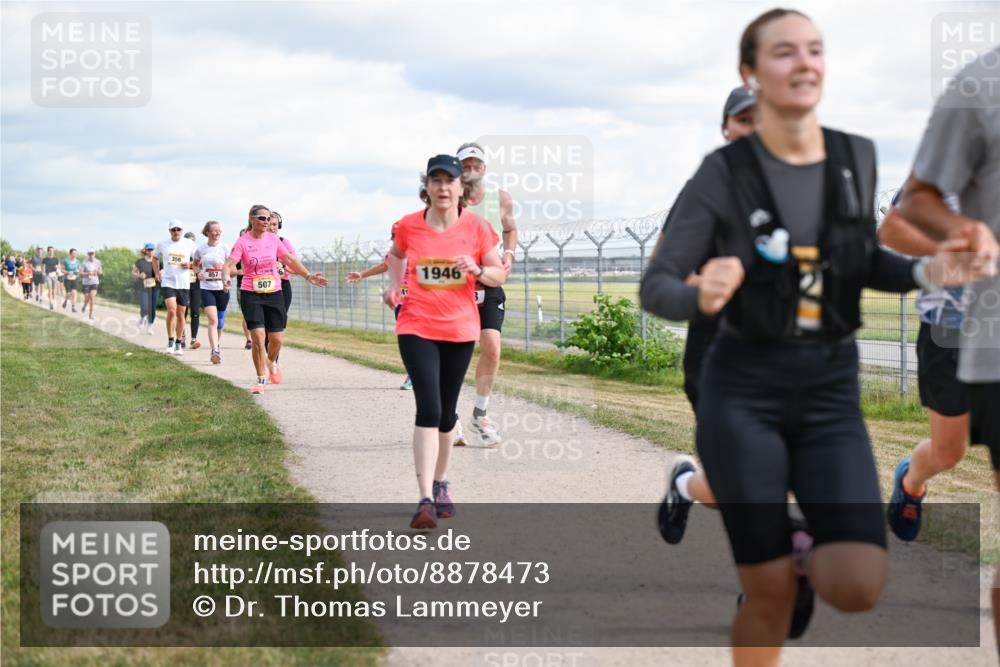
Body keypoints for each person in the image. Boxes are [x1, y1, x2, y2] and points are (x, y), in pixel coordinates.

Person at [638, 9, 992, 664]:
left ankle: (721, 506)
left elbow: (867, 257)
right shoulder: (716, 180)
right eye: (782, 52)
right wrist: (698, 291)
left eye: (815, 49)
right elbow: (657, 285)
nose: (803, 62)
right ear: (749, 77)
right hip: (736, 381)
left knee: (856, 584)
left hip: (827, 391)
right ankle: (771, 565)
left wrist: (927, 268)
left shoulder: (849, 162)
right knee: (766, 586)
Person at [895, 46, 1000, 642]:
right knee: (951, 450)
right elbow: (894, 232)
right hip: (950, 330)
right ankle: (912, 479)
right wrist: (951, 247)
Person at [655, 85, 757, 548]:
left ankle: (762, 591)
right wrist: (707, 284)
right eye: (744, 119)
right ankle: (685, 484)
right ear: (726, 127)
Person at [384, 154, 505, 529]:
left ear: (460, 188)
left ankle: (440, 485)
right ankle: (423, 499)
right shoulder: (408, 225)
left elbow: (499, 273)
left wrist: (479, 270)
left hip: (460, 329)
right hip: (416, 325)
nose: (442, 187)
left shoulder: (478, 227)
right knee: (429, 407)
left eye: (449, 181)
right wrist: (393, 287)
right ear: (427, 187)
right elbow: (396, 254)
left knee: (448, 413)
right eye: (435, 180)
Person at [454, 142, 518, 446]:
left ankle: (480, 413)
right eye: (464, 165)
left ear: (484, 168)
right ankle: (449, 417)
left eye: (475, 165)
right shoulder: (448, 198)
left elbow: (510, 228)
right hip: (455, 285)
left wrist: (509, 253)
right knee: (455, 354)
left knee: (492, 348)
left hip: (489, 279)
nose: (470, 170)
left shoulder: (500, 198)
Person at [224, 205, 327, 393]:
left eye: (268, 219)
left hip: (274, 292)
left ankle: (271, 362)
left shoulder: (274, 240)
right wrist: (225, 279)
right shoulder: (242, 242)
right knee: (258, 337)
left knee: (277, 339)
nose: (266, 222)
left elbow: (289, 259)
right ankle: (261, 379)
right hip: (251, 293)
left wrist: (307, 275)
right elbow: (229, 264)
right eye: (262, 218)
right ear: (251, 219)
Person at [156, 221, 197, 356]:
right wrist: (157, 273)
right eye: (173, 229)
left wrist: (190, 264)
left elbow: (198, 260)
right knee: (172, 311)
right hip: (168, 281)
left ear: (182, 230)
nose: (176, 231)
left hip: (183, 283)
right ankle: (170, 341)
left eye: (178, 229)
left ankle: (179, 342)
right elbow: (155, 258)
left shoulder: (189, 244)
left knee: (180, 313)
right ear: (169, 231)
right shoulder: (163, 244)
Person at [194, 221, 231, 364]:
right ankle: (215, 350)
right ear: (207, 232)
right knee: (212, 320)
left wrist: (226, 276)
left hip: (222, 288)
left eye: (219, 231)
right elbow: (195, 265)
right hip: (206, 288)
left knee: (220, 323)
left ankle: (216, 344)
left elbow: (231, 267)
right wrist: (198, 273)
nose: (217, 233)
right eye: (214, 231)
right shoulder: (201, 249)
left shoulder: (225, 248)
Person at [264, 211, 294, 366]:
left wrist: (282, 266)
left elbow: (295, 268)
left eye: (275, 224)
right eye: (269, 224)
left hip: (282, 288)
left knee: (277, 327)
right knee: (264, 328)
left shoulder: (285, 243)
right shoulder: (257, 243)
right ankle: (270, 359)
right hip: (263, 288)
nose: (272, 228)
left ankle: (273, 361)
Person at [132, 243, 160, 335]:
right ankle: (142, 317)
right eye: (149, 250)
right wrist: (139, 275)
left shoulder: (157, 261)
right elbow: (134, 273)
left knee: (152, 308)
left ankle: (150, 326)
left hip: (155, 287)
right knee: (144, 307)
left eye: (152, 250)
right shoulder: (140, 262)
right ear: (145, 250)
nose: (150, 251)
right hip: (143, 287)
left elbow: (163, 272)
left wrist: (158, 275)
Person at [79, 248, 102, 320]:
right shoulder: (84, 262)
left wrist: (97, 272)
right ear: (87, 254)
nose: (91, 255)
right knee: (87, 298)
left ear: (95, 254)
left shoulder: (98, 262)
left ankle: (90, 314)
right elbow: (81, 273)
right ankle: (85, 304)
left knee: (92, 298)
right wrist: (88, 273)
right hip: (86, 283)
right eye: (89, 254)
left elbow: (100, 271)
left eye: (92, 253)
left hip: (94, 282)